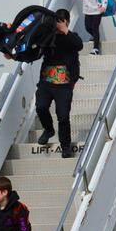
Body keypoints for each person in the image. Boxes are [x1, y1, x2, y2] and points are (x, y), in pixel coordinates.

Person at [34, 9, 83, 158]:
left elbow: (78, 45)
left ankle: (66, 146)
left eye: (61, 21)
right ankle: (48, 129)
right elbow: (34, 52)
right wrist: (13, 56)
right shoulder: (48, 37)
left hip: (64, 85)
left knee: (63, 116)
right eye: (57, 21)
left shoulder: (71, 37)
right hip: (46, 83)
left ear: (66, 21)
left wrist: (65, 30)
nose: (58, 24)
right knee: (41, 107)